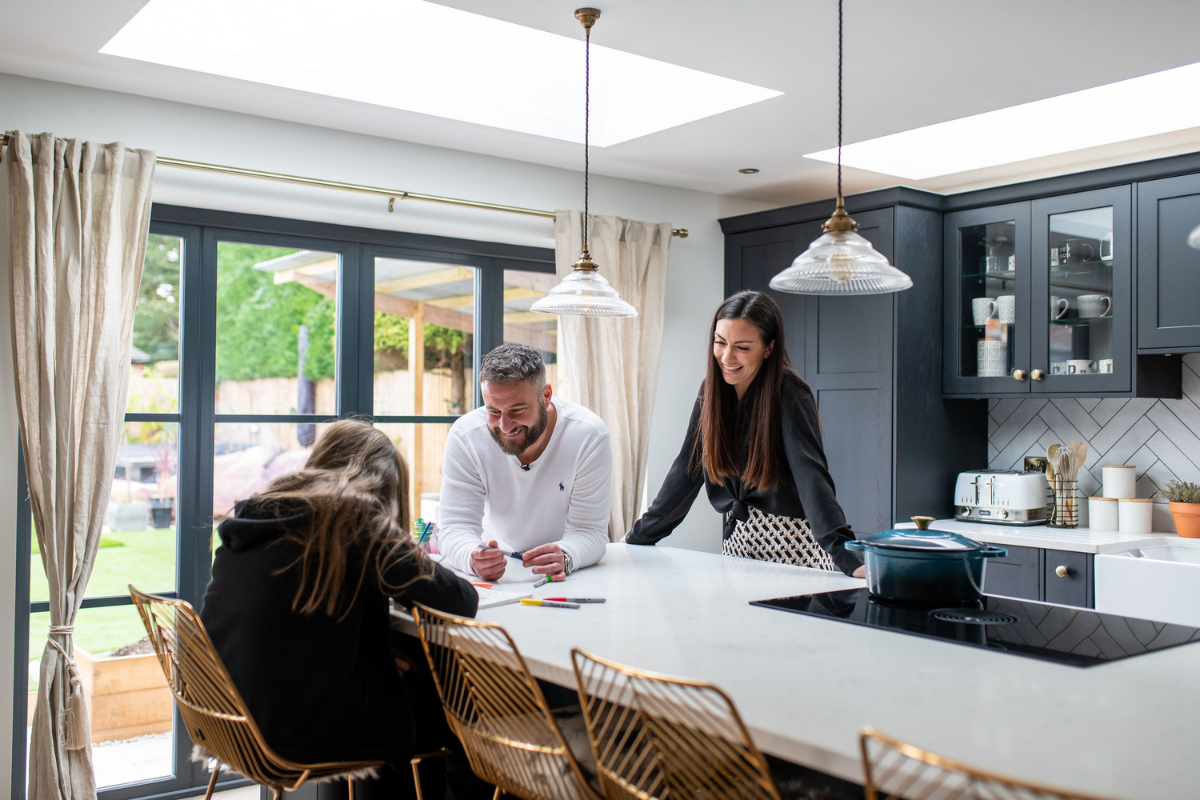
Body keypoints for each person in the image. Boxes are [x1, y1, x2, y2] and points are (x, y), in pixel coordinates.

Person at [200, 420, 491, 800]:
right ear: (384, 483)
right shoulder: (352, 516)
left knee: (413, 684)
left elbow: (288, 625)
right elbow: (458, 600)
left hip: (227, 717)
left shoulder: (262, 511)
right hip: (296, 730)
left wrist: (376, 656)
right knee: (464, 712)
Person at [625, 291, 866, 578]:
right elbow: (686, 472)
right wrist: (636, 539)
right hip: (738, 545)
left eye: (742, 347)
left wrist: (845, 555)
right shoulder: (711, 391)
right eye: (720, 342)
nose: (727, 357)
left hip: (793, 549)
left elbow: (811, 476)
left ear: (768, 348)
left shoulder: (789, 393)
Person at [439, 343, 612, 582]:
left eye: (517, 410)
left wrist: (567, 555)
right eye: (494, 411)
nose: (505, 426)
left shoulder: (588, 435)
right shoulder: (466, 437)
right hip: (496, 579)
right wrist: (472, 556)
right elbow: (455, 526)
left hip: (564, 577)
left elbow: (590, 531)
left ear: (546, 396)